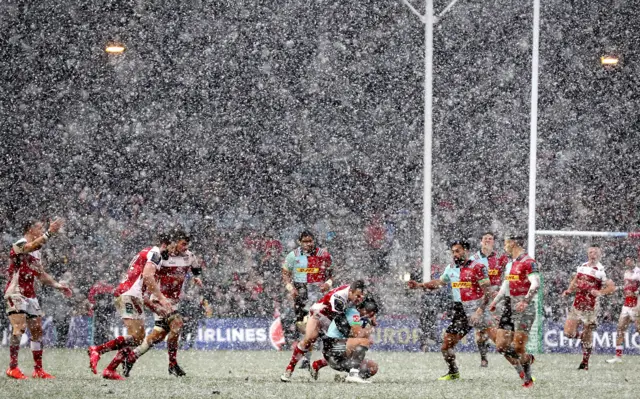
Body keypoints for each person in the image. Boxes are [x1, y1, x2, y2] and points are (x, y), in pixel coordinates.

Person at [118, 230, 202, 377]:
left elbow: (196, 266)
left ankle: (131, 357)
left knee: (158, 335)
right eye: (183, 244)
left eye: (187, 244)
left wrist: (197, 277)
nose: (185, 247)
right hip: (160, 298)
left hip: (174, 301)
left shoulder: (189, 256)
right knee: (177, 324)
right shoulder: (162, 257)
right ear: (174, 243)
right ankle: (172, 364)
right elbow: (147, 273)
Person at [88, 235, 173, 380]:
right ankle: (97, 350)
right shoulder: (156, 254)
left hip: (130, 294)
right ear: (165, 244)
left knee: (138, 338)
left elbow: (140, 284)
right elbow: (147, 277)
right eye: (171, 248)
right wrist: (162, 299)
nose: (171, 253)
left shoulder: (147, 252)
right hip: (129, 295)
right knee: (136, 337)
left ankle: (110, 369)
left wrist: (155, 308)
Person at [407, 239, 493, 381]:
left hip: (478, 309)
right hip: (460, 311)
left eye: (458, 251)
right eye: (453, 252)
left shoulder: (477, 267)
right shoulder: (451, 268)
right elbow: (439, 283)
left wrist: (479, 311)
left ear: (466, 251)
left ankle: (524, 367)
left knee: (502, 343)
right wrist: (419, 285)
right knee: (446, 346)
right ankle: (453, 372)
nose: (455, 254)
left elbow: (488, 292)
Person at [5, 217, 73, 380]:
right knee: (19, 328)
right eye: (39, 228)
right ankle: (12, 368)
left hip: (30, 294)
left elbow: (41, 275)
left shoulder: (37, 252)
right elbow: (31, 246)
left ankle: (38, 370)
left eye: (43, 229)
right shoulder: (20, 243)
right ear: (30, 229)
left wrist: (58, 285)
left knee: (37, 331)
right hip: (16, 291)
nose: (41, 231)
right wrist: (50, 233)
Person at [280, 280, 366, 382]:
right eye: (358, 296)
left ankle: (318, 364)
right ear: (351, 291)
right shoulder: (339, 297)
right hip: (320, 315)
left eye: (361, 296)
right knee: (310, 339)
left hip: (331, 318)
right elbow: (339, 321)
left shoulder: (352, 291)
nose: (360, 299)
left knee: (339, 349)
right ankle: (289, 369)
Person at [489, 235, 540, 388]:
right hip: (509, 306)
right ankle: (526, 362)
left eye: (506, 243)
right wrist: (495, 301)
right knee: (501, 346)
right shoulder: (510, 263)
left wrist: (525, 301)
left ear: (513, 243)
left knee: (518, 347)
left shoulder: (529, 262)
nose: (504, 246)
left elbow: (535, 284)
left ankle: (528, 380)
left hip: (524, 308)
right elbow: (505, 285)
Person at [281, 230, 333, 367]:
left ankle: (316, 358)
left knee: (318, 327)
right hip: (301, 296)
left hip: (318, 297)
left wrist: (328, 283)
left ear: (314, 241)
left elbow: (333, 272)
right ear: (300, 242)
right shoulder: (294, 255)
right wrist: (290, 287)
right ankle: (307, 357)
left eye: (310, 241)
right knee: (302, 326)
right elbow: (285, 272)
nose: (307, 244)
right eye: (304, 241)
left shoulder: (323, 254)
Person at [562, 244, 615, 370]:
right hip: (577, 304)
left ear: (600, 254)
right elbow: (575, 280)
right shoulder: (582, 267)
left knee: (588, 333)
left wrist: (600, 292)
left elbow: (612, 287)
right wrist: (569, 290)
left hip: (591, 307)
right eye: (591, 252)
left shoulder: (601, 270)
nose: (593, 254)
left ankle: (585, 362)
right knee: (568, 333)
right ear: (587, 254)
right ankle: (582, 337)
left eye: (595, 252)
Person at [311, 297, 380, 384]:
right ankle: (353, 375)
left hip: (339, 357)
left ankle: (347, 377)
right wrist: (370, 328)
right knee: (363, 342)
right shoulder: (353, 312)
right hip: (332, 349)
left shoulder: (361, 319)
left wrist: (370, 325)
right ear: (371, 312)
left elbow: (357, 338)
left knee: (373, 367)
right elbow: (359, 335)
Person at [469, 232, 508, 367]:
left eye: (490, 239)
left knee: (496, 328)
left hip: (496, 298)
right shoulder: (473, 258)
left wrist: (501, 289)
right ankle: (484, 358)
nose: (487, 241)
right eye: (485, 238)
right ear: (481, 241)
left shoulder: (500, 258)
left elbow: (508, 274)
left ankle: (508, 351)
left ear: (493, 242)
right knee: (480, 332)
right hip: (480, 297)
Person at [607, 256, 640, 363]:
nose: (628, 261)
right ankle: (618, 356)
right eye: (626, 260)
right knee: (620, 329)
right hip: (626, 305)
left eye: (630, 259)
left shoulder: (638, 272)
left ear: (634, 261)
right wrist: (618, 288)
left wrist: (636, 292)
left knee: (639, 329)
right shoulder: (626, 273)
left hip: (636, 305)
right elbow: (626, 287)